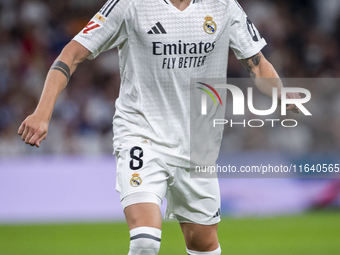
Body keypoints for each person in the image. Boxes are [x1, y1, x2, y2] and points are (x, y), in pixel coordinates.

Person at [18, 0, 300, 254]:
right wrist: (42, 112)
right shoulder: (129, 5)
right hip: (142, 135)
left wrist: (280, 93)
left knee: (203, 245)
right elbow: (72, 53)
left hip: (197, 147)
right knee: (145, 241)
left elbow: (257, 64)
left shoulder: (223, 5)